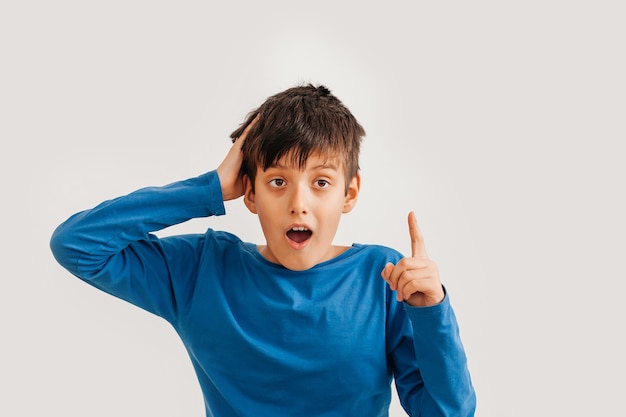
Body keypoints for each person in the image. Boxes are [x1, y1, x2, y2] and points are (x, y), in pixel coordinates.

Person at [50, 84, 476, 416]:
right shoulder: (200, 271)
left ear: (349, 194)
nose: (298, 202)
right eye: (277, 182)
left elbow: (447, 413)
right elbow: (77, 244)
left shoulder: (383, 278)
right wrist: (209, 189)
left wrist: (431, 312)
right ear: (249, 193)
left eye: (321, 182)